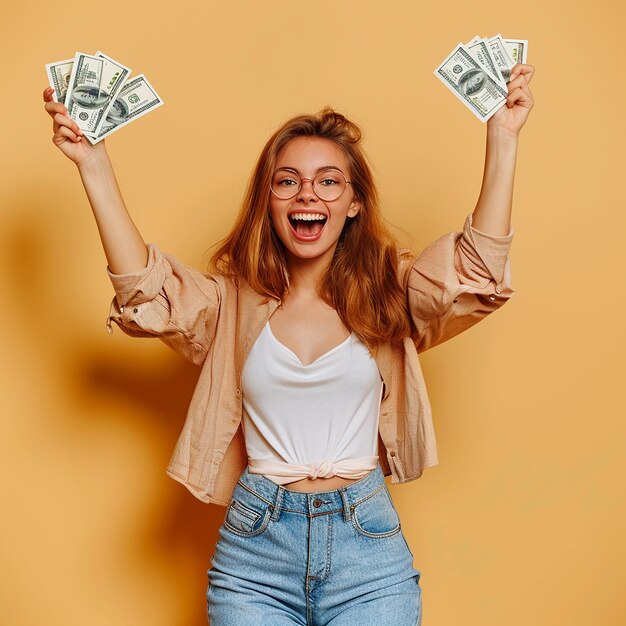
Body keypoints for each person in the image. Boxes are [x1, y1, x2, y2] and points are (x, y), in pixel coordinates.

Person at [42, 63, 535, 625]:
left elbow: (476, 269)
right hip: (255, 553)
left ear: (353, 204)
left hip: (367, 549)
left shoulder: (391, 294)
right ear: (269, 201)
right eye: (288, 180)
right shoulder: (228, 306)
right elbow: (146, 290)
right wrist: (94, 164)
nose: (309, 193)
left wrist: (503, 135)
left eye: (329, 181)